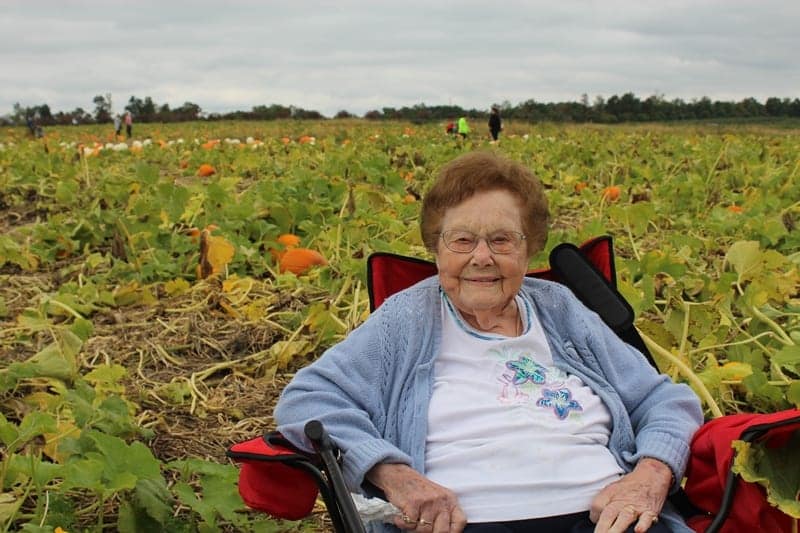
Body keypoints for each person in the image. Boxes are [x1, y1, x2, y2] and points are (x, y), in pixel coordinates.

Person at [275, 151, 703, 533]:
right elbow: (308, 401)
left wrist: (650, 475)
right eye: (462, 240)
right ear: (436, 247)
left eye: (501, 240)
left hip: (605, 519)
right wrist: (395, 475)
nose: (482, 257)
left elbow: (664, 401)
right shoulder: (405, 319)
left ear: (528, 248)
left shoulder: (560, 308)